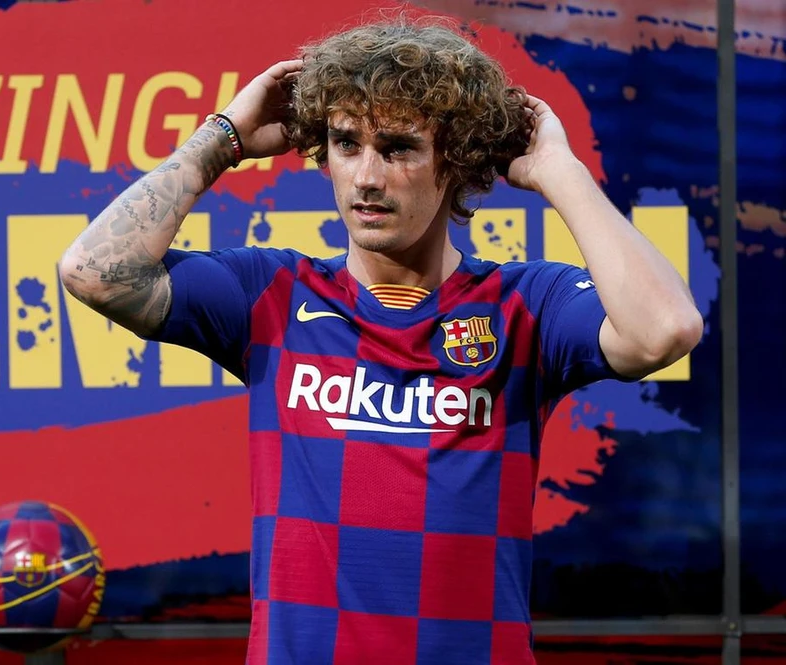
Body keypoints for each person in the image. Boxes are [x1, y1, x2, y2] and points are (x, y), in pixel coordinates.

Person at [59, 15, 703, 665]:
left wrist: (560, 172)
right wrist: (220, 138)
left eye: (397, 148)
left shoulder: (524, 306)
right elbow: (93, 272)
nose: (366, 176)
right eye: (346, 143)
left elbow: (664, 328)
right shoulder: (271, 296)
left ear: (454, 160)